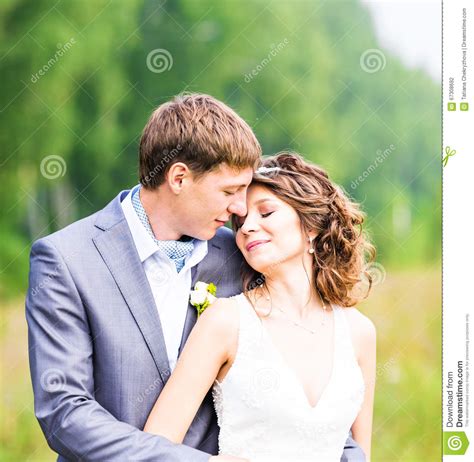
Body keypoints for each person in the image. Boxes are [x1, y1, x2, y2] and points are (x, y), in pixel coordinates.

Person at [26, 92, 364, 461]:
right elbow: (65, 413)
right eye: (230, 191)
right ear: (179, 177)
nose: (240, 209)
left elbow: (299, 393)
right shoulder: (67, 260)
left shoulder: (242, 255)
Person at [143, 152, 377, 461]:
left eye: (265, 213)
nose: (246, 228)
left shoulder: (359, 332)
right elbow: (154, 446)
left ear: (311, 227)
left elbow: (360, 454)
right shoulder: (225, 322)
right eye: (239, 222)